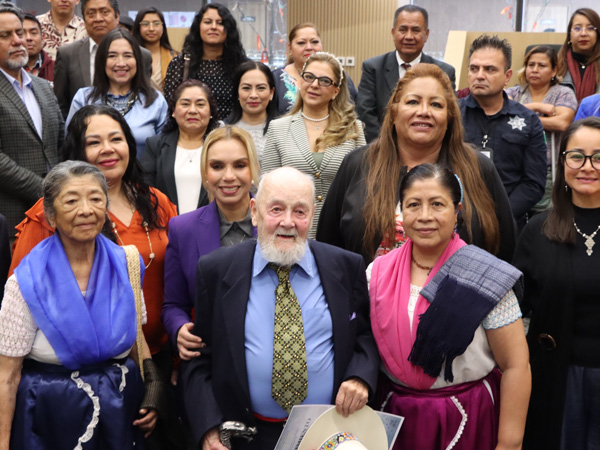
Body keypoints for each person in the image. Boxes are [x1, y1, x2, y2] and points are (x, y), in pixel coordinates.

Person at [8, 105, 180, 449]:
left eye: (116, 138)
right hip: (55, 396)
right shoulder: (44, 221)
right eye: (94, 141)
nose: (108, 149)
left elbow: (174, 279)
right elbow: (21, 309)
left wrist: (154, 379)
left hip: (134, 374)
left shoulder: (153, 203)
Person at [180, 167, 379, 450]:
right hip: (247, 437)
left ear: (312, 215)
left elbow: (364, 336)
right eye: (276, 209)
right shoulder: (216, 270)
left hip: (328, 433)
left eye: (299, 211)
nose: (288, 222)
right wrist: (209, 429)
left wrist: (360, 377)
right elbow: (199, 359)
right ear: (255, 212)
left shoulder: (346, 267)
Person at [370, 163, 530, 449]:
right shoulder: (377, 273)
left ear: (457, 211)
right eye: (413, 205)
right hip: (393, 414)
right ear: (401, 211)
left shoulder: (485, 277)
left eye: (437, 204)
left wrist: (510, 443)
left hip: (466, 416)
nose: (425, 216)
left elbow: (516, 365)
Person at [317, 63, 516, 265]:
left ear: (449, 117)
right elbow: (328, 246)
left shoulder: (479, 168)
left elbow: (505, 249)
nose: (424, 111)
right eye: (413, 102)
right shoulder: (357, 164)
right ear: (394, 113)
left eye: (436, 105)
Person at [513, 117, 600, 450]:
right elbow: (514, 309)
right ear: (562, 162)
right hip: (556, 379)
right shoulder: (537, 230)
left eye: (598, 157)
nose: (587, 166)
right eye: (577, 156)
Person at [162, 125, 260, 360]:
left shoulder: (277, 223)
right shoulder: (182, 229)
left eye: (240, 165)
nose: (229, 176)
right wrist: (179, 329)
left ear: (254, 169)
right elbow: (173, 305)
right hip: (209, 357)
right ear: (205, 173)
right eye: (217, 166)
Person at [262, 52, 365, 238]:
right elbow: (267, 190)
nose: (314, 84)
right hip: (290, 232)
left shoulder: (353, 129)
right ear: (300, 81)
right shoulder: (278, 128)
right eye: (309, 77)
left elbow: (363, 186)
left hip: (341, 234)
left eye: (324, 81)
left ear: (336, 91)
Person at [460, 34, 547, 225]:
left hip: (508, 223)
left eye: (489, 69)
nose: (479, 75)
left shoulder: (528, 120)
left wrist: (499, 215)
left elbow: (534, 183)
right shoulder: (451, 115)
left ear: (507, 76)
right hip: (457, 220)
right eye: (474, 68)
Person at [0, 2, 63, 235]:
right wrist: (46, 190)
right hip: (12, 221)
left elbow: (60, 142)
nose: (18, 41)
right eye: (5, 35)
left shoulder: (43, 87)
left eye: (19, 32)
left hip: (57, 219)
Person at [356, 5, 456, 142]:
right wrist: (388, 145)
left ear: (426, 35)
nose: (409, 36)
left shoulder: (444, 72)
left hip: (428, 146)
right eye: (403, 30)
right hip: (381, 146)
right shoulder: (373, 68)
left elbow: (449, 115)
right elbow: (365, 112)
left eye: (415, 30)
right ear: (393, 33)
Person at [66, 28, 168, 158]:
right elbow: (72, 148)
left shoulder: (155, 101)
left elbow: (164, 152)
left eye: (128, 55)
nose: (121, 63)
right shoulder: (83, 98)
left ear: (137, 60)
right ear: (102, 61)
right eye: (112, 56)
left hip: (145, 171)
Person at [506, 45, 577, 212]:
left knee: (545, 218)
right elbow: (504, 114)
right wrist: (538, 107)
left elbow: (561, 123)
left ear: (554, 71)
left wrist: (522, 115)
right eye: (531, 65)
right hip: (515, 167)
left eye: (542, 65)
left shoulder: (563, 93)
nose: (535, 70)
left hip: (549, 170)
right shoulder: (513, 92)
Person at [54, 0, 152, 118]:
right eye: (91, 13)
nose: (98, 19)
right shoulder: (67, 54)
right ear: (84, 19)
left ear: (117, 16)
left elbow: (144, 96)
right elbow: (60, 106)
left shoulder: (142, 55)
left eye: (104, 12)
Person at [141, 79, 219, 213]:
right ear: (173, 110)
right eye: (185, 104)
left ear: (210, 111)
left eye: (200, 104)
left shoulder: (220, 146)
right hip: (165, 223)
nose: (192, 110)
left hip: (211, 222)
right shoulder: (155, 146)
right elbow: (145, 190)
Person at [163, 3, 247, 121]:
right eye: (208, 22)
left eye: (220, 23)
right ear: (199, 27)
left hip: (232, 130)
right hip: (191, 129)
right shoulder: (180, 64)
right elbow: (171, 106)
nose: (213, 27)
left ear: (229, 29)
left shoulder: (242, 66)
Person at [271, 23, 358, 115]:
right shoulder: (276, 78)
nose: (309, 47)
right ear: (290, 48)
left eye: (315, 42)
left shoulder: (338, 76)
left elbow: (352, 110)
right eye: (301, 43)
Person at [225, 61, 278, 161]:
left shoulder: (285, 130)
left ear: (271, 93)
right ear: (237, 92)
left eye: (261, 88)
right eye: (246, 88)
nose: (253, 95)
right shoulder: (222, 130)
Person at [556, 8, 600, 103]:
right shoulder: (555, 65)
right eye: (577, 28)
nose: (583, 33)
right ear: (569, 35)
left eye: (590, 28)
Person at [133, 7, 179, 92]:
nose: (151, 29)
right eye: (145, 24)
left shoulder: (175, 57)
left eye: (156, 23)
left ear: (163, 28)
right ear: (138, 28)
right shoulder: (131, 55)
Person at [23, 14, 54, 82]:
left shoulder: (56, 69)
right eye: (22, 33)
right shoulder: (7, 70)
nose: (28, 38)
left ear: (42, 38)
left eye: (33, 33)